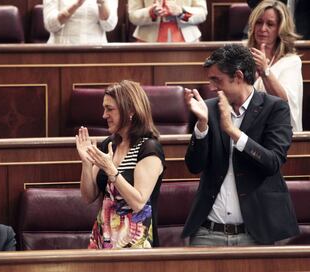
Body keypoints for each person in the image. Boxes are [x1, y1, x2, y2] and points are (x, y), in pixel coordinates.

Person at [182, 44, 299, 246]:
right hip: (208, 232)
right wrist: (201, 125)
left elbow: (272, 162)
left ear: (238, 76)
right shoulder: (208, 109)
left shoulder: (275, 108)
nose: (211, 87)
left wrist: (234, 132)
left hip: (255, 233)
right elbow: (194, 166)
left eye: (216, 80)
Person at [76, 80, 165, 249]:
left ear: (130, 110)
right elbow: (88, 196)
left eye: (110, 109)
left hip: (135, 242)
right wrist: (86, 164)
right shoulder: (109, 144)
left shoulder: (148, 148)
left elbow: (138, 202)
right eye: (104, 108)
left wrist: (111, 170)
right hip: (104, 238)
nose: (104, 115)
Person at [247, 0, 303, 132]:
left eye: (270, 24)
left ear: (280, 29)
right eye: (259, 22)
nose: (262, 29)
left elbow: (284, 102)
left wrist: (265, 70)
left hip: (278, 134)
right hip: (248, 132)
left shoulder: (291, 62)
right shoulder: (243, 55)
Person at [128, 0, 207, 42]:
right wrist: (151, 12)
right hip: (148, 40)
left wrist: (181, 11)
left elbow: (202, 13)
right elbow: (133, 16)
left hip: (188, 40)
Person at [43, 0, 118, 44]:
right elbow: (50, 25)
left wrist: (102, 2)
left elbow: (109, 26)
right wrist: (76, 5)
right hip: (62, 50)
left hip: (96, 51)